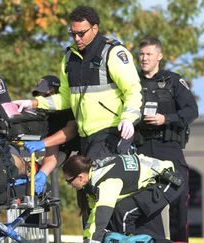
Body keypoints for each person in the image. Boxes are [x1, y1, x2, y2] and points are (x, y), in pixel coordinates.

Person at [13, 6, 142, 160]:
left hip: (110, 131)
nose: (76, 38)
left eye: (81, 33)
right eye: (73, 34)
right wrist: (33, 103)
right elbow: (65, 99)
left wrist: (128, 118)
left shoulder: (113, 52)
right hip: (85, 136)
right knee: (83, 182)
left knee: (98, 182)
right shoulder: (69, 58)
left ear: (95, 29)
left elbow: (133, 89)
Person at [136, 37, 198, 242]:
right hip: (142, 148)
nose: (144, 58)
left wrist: (166, 119)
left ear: (159, 56)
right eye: (141, 54)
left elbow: (191, 110)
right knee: (147, 201)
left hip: (168, 147)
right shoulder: (132, 82)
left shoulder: (172, 81)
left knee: (179, 196)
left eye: (149, 54)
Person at [63, 153, 183, 242]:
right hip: (156, 182)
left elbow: (101, 215)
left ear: (80, 177)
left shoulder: (105, 181)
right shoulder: (94, 176)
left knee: (123, 213)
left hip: (169, 181)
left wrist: (93, 240)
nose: (69, 185)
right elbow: (94, 215)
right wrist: (87, 238)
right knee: (119, 221)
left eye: (69, 181)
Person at [25, 75, 79, 194]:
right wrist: (42, 173)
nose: (41, 98)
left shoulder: (71, 108)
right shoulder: (49, 118)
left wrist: (42, 143)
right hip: (64, 153)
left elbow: (71, 130)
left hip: (83, 152)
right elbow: (52, 153)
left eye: (45, 95)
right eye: (38, 94)